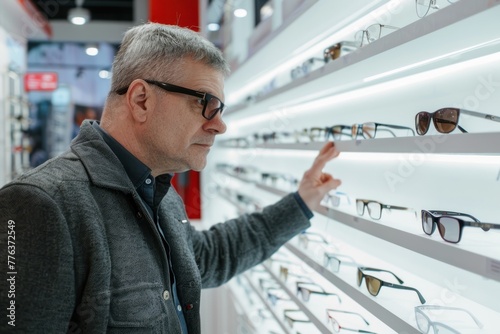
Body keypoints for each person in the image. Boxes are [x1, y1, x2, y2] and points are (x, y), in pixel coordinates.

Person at [0, 23, 341, 333]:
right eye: (205, 103)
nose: (219, 125)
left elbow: (208, 256)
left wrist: (301, 203)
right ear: (140, 100)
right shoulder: (39, 205)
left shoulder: (157, 190)